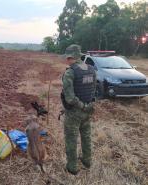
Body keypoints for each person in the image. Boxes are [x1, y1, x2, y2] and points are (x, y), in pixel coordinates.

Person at [61, 44, 96, 175]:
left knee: (71, 139)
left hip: (75, 113)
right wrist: (88, 106)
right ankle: (87, 161)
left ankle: (72, 167)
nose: (66, 60)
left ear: (71, 57)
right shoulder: (92, 69)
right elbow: (93, 91)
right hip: (88, 110)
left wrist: (81, 106)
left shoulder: (70, 72)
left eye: (67, 57)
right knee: (86, 137)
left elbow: (69, 98)